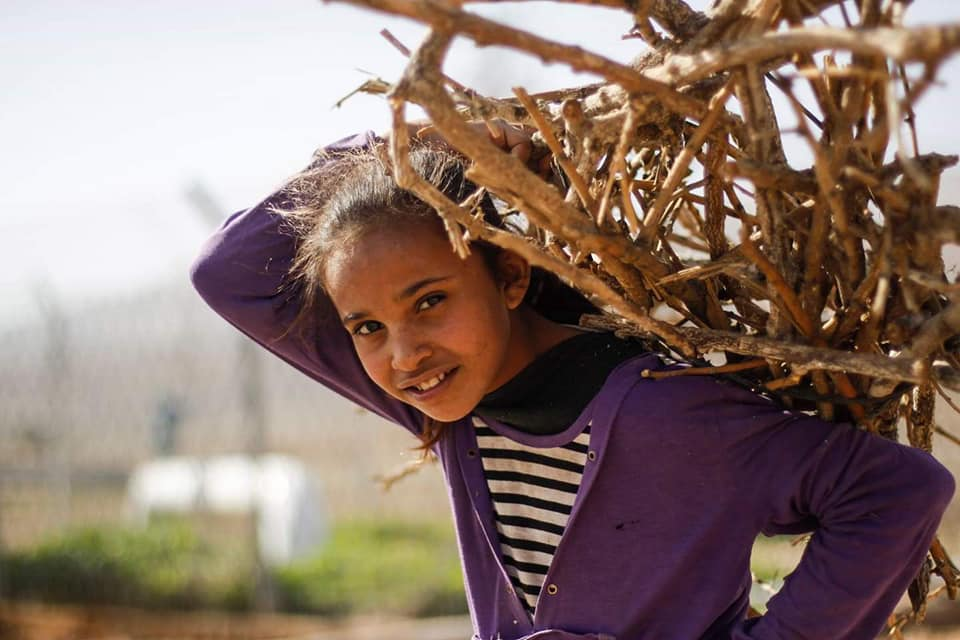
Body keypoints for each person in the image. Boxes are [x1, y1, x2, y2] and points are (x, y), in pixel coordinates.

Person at [191, 123, 955, 640]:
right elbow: (227, 272)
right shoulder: (451, 407)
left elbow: (894, 491)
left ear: (511, 277)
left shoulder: (670, 413)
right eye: (367, 327)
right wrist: (412, 139)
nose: (403, 354)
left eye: (430, 301)